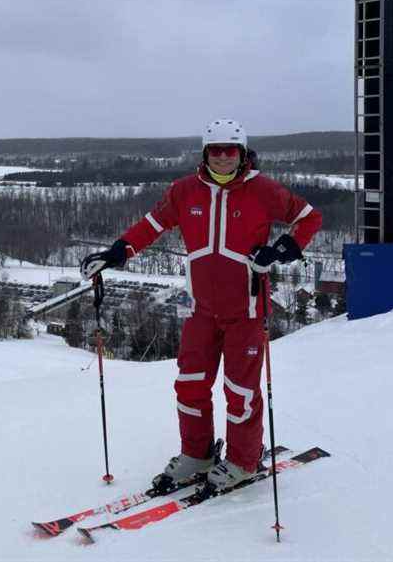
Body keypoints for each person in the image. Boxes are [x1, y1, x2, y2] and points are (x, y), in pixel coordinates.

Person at [80, 119, 322, 491]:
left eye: (231, 151)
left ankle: (243, 460)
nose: (223, 158)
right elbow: (151, 225)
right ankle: (198, 453)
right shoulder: (184, 191)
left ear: (242, 154)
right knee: (190, 385)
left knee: (240, 391)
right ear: (204, 153)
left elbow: (308, 217)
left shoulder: (262, 190)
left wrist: (283, 248)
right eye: (215, 151)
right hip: (202, 310)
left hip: (246, 309)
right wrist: (115, 253)